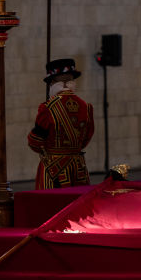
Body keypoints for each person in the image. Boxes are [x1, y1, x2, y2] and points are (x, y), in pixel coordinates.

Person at [27, 58, 95, 189]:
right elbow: (86, 138)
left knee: (52, 206)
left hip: (54, 171)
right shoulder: (86, 107)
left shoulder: (47, 108)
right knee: (78, 206)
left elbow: (35, 141)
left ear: (53, 83)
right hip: (78, 169)